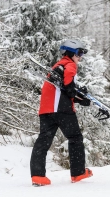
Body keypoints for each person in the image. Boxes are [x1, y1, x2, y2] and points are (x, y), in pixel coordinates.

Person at [30, 39, 93, 186]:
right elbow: (69, 88)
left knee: (43, 141)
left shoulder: (57, 66)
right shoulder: (70, 65)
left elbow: (64, 89)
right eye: (79, 52)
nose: (81, 56)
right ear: (71, 53)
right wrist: (82, 98)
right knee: (75, 137)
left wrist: (78, 98)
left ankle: (38, 177)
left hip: (46, 108)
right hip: (61, 108)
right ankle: (78, 173)